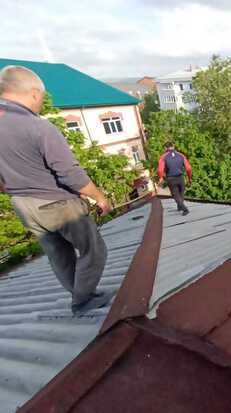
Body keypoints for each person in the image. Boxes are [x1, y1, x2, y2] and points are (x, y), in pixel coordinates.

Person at [0, 65, 113, 316]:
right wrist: (99, 198)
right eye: (40, 97)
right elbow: (69, 172)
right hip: (56, 204)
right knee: (93, 250)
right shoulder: (38, 127)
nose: (40, 103)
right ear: (33, 93)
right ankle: (83, 300)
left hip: (23, 206)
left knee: (59, 255)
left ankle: (80, 295)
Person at [157, 142, 193, 215]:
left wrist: (160, 177)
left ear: (165, 148)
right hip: (180, 178)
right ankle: (180, 206)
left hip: (171, 179)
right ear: (173, 146)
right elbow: (188, 168)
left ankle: (185, 209)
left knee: (176, 195)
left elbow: (160, 170)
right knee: (181, 194)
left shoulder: (163, 157)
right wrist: (189, 178)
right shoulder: (181, 155)